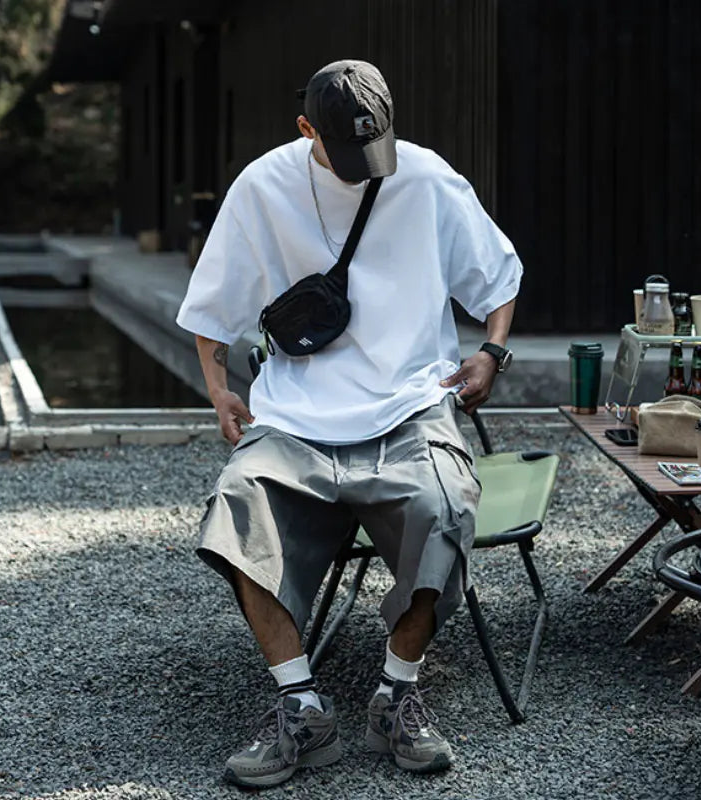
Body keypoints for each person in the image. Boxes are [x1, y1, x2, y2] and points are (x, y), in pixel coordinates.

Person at [176, 59, 522, 788]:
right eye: (346, 150)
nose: (367, 166)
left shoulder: (426, 177)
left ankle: (397, 694)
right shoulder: (262, 186)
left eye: (376, 144)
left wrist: (491, 352)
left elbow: (498, 274)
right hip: (296, 411)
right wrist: (219, 390)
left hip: (409, 402)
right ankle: (300, 706)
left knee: (446, 505)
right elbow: (212, 303)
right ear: (306, 128)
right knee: (237, 504)